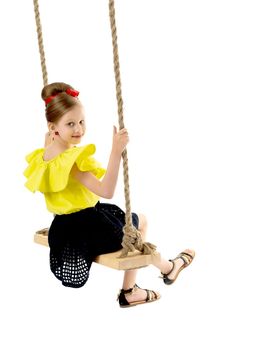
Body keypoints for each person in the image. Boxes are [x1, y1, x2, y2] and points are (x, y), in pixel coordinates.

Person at [24, 82, 195, 307]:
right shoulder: (71, 162)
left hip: (62, 228)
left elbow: (53, 154)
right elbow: (106, 191)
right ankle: (151, 278)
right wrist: (116, 152)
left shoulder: (45, 151)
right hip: (86, 228)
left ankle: (158, 274)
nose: (79, 130)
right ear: (53, 127)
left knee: (134, 224)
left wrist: (57, 131)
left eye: (82, 122)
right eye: (70, 124)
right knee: (138, 227)